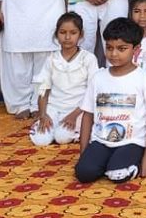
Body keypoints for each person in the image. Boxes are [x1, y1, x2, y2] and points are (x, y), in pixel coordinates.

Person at [75, 18, 146, 182]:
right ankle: (107, 162)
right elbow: (88, 115)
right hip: (101, 141)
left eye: (121, 48)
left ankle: (132, 162)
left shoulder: (145, 78)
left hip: (132, 142)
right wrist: (84, 152)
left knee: (117, 174)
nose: (114, 54)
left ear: (136, 49)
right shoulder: (98, 78)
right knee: (84, 173)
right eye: (109, 48)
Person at [31, 12, 99, 146]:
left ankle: (77, 127)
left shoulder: (88, 59)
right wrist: (43, 114)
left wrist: (74, 115)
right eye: (62, 32)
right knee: (40, 140)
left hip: (79, 109)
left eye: (73, 33)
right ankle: (52, 126)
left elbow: (93, 92)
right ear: (56, 34)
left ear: (81, 34)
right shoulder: (51, 59)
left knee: (62, 137)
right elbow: (43, 90)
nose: (67, 37)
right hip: (53, 108)